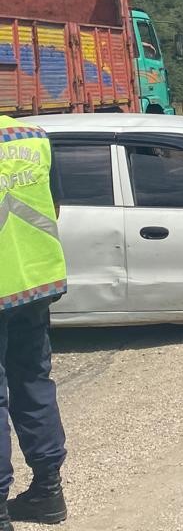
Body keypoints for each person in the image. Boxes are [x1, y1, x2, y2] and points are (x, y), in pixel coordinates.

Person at [0, 116, 69, 529]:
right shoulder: (32, 137)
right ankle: (48, 491)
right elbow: (54, 204)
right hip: (36, 283)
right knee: (33, 382)